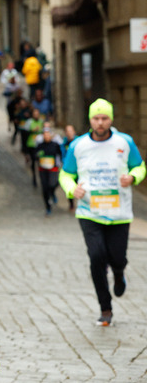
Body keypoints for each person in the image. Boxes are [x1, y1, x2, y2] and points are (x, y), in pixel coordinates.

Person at [59, 98, 146, 326]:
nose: (100, 122)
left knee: (117, 257)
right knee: (96, 256)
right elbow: (66, 174)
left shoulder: (124, 142)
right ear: (90, 120)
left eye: (104, 118)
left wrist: (133, 177)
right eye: (96, 118)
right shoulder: (78, 145)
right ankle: (105, 308)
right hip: (89, 212)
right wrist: (72, 189)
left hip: (119, 212)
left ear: (111, 119)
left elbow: (139, 166)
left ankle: (118, 272)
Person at [35, 127, 62, 216]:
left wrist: (60, 164)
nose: (46, 136)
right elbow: (35, 155)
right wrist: (38, 155)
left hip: (53, 169)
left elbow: (60, 154)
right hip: (43, 170)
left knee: (53, 184)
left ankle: (52, 193)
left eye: (48, 135)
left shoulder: (55, 145)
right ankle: (48, 207)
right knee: (44, 188)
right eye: (45, 135)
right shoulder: (40, 145)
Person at [61, 124, 77, 212]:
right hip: (69, 169)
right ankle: (71, 204)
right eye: (68, 131)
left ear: (74, 132)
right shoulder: (63, 143)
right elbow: (62, 154)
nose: (70, 133)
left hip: (79, 168)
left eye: (71, 131)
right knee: (69, 186)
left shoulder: (79, 141)